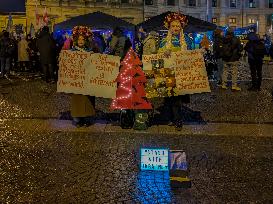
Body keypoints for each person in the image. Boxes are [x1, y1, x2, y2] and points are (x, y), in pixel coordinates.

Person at [158, 12, 189, 131]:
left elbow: (192, 55)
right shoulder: (164, 42)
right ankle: (170, 118)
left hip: (181, 75)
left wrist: (199, 53)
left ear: (181, 27)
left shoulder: (186, 41)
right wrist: (163, 53)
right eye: (173, 26)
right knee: (168, 98)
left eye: (178, 26)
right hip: (168, 74)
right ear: (169, 28)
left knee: (177, 100)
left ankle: (178, 120)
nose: (176, 28)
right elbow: (158, 58)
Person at [69, 26, 96, 128]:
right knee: (77, 100)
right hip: (77, 81)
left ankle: (87, 118)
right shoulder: (71, 52)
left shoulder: (90, 51)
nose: (80, 41)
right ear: (76, 40)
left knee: (87, 100)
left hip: (87, 81)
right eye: (79, 39)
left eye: (83, 39)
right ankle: (78, 119)